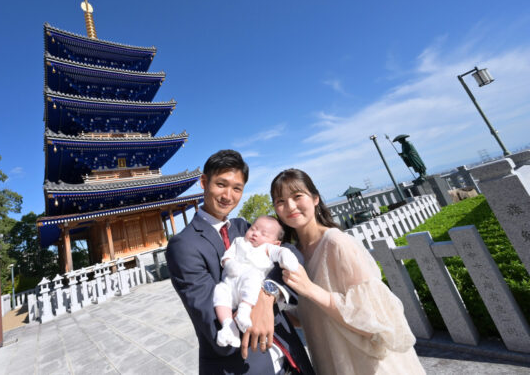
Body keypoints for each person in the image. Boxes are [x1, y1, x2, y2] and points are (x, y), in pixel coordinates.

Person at [166, 150, 314, 375]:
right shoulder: (184, 245)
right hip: (245, 365)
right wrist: (254, 309)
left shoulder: (244, 228)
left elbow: (289, 251)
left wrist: (267, 295)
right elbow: (212, 320)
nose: (228, 195)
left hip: (291, 356)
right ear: (204, 182)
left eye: (237, 188)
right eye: (221, 184)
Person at [271, 168, 426, 375]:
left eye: (297, 196)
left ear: (315, 198)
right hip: (331, 360)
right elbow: (310, 315)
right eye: (280, 201)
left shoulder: (337, 242)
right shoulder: (292, 255)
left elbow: (374, 318)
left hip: (370, 365)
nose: (290, 206)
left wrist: (310, 289)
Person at [214, 216, 299, 348]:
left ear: (275, 242)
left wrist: (286, 258)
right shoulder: (238, 241)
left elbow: (282, 252)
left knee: (252, 278)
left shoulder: (267, 248)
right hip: (231, 284)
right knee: (220, 292)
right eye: (253, 229)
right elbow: (227, 257)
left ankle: (244, 309)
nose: (255, 233)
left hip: (251, 288)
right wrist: (229, 264)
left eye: (263, 234)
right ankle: (228, 327)